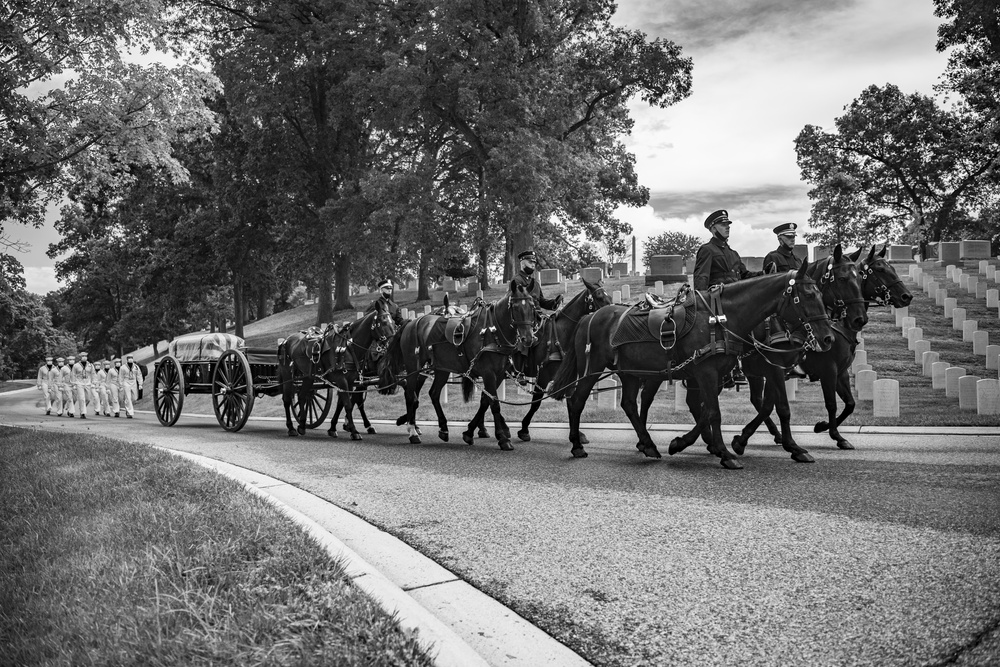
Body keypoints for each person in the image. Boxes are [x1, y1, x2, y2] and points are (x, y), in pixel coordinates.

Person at [693, 210, 763, 385]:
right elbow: (701, 278)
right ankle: (732, 370)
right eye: (723, 225)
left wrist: (764, 274)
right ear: (713, 228)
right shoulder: (707, 250)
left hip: (737, 302)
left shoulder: (733, 253)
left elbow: (745, 275)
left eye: (728, 225)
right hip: (718, 303)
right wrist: (703, 302)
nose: (727, 228)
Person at [71, 352, 95, 419]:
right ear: (80, 357)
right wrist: (74, 384)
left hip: (87, 382)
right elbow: (73, 375)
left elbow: (93, 374)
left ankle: (82, 407)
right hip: (79, 382)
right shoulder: (76, 365)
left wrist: (93, 383)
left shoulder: (90, 365)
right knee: (81, 398)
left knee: (88, 399)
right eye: (83, 356)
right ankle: (83, 413)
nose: (84, 357)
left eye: (85, 356)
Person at [118, 354, 142, 418]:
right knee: (128, 397)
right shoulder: (123, 367)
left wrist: (140, 384)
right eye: (129, 358)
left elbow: (139, 375)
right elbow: (120, 377)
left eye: (131, 358)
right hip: (126, 382)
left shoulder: (136, 367)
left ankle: (128, 408)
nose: (130, 359)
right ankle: (129, 412)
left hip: (133, 382)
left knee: (134, 398)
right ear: (127, 359)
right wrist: (121, 385)